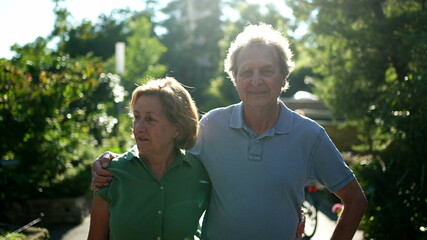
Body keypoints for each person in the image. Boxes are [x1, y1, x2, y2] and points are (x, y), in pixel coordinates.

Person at [92, 23, 367, 239]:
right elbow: (162, 147)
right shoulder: (212, 126)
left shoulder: (310, 135)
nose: (256, 81)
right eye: (246, 72)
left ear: (284, 78)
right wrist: (113, 160)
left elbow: (355, 200)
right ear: (234, 78)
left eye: (267, 71)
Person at [87, 77, 211, 240]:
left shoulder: (199, 173)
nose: (138, 128)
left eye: (150, 119)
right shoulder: (110, 174)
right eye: (137, 117)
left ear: (177, 128)